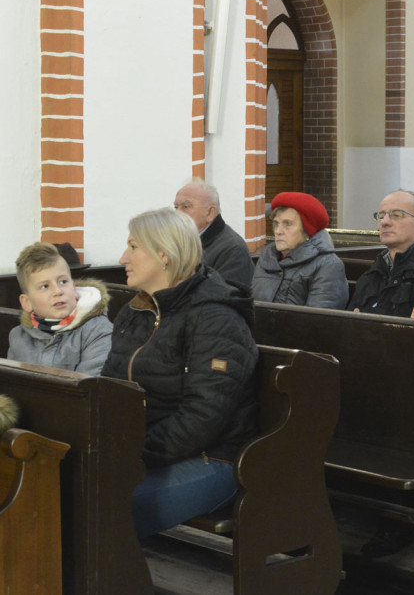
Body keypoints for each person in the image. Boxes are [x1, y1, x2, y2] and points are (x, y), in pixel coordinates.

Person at [102, 208, 258, 538]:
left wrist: (132, 454)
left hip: (215, 460)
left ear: (163, 254)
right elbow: (110, 388)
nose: (122, 257)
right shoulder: (137, 310)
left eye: (133, 247)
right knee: (63, 488)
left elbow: (203, 416)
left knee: (103, 506)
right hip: (148, 451)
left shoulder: (215, 317)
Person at [7, 242, 112, 376]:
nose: (57, 291)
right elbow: (12, 386)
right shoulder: (18, 336)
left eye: (63, 282)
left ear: (73, 288)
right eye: (45, 286)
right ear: (27, 302)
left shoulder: (98, 331)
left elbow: (89, 389)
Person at [252, 192, 348, 309]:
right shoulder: (268, 257)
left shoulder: (328, 266)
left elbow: (319, 322)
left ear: (307, 231)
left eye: (288, 224)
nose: (278, 231)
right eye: (276, 224)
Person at [174, 178, 254, 290]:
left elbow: (225, 300)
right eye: (176, 207)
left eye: (186, 206)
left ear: (210, 213)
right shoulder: (179, 241)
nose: (178, 213)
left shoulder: (233, 250)